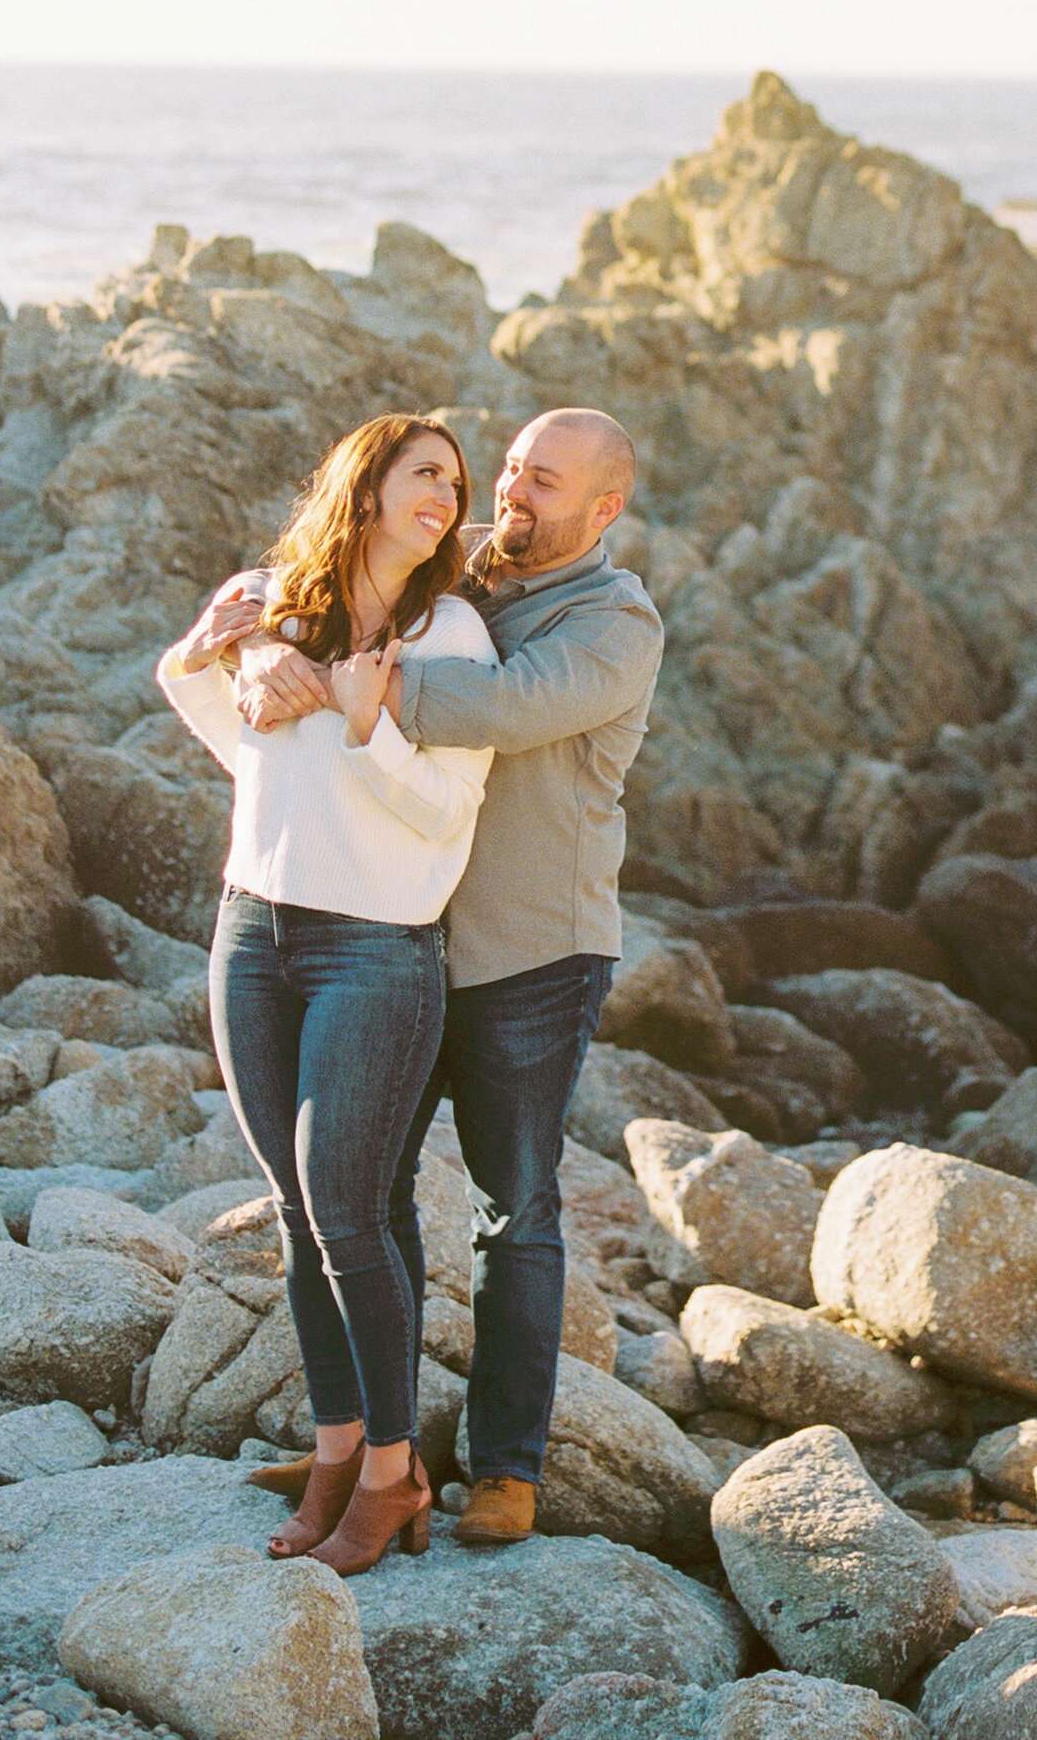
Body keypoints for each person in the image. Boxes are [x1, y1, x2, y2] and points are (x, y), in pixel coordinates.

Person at [199, 403, 662, 1549]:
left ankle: (504, 1466)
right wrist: (267, 646)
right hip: (394, 937)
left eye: (542, 480)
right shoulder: (460, 589)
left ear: (603, 506)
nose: (511, 490)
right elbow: (319, 610)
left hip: (526, 953)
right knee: (356, 1197)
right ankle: (365, 1453)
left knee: (516, 1206)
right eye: (506, 468)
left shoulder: (614, 617)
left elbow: (506, 707)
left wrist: (361, 683)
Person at [158, 414, 498, 1576]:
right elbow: (223, 730)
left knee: (348, 1211)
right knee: (297, 1210)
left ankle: (396, 1475)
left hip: (376, 949)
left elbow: (447, 817)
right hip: (251, 931)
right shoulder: (269, 596)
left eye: (456, 480)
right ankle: (337, 1448)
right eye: (426, 474)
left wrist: (367, 722)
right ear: (365, 488)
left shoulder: (448, 631)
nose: (449, 495)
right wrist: (217, 652)